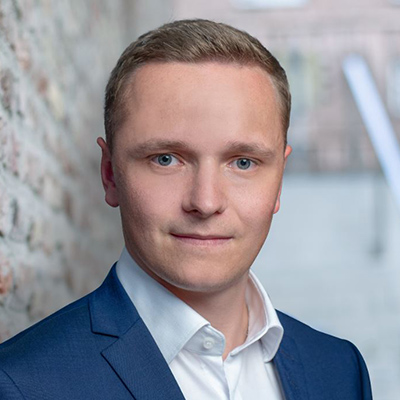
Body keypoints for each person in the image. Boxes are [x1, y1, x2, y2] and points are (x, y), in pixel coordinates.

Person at [0, 19, 372, 400]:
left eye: (243, 162)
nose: (206, 202)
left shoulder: (341, 372)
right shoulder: (20, 385)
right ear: (110, 174)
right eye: (166, 159)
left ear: (279, 179)